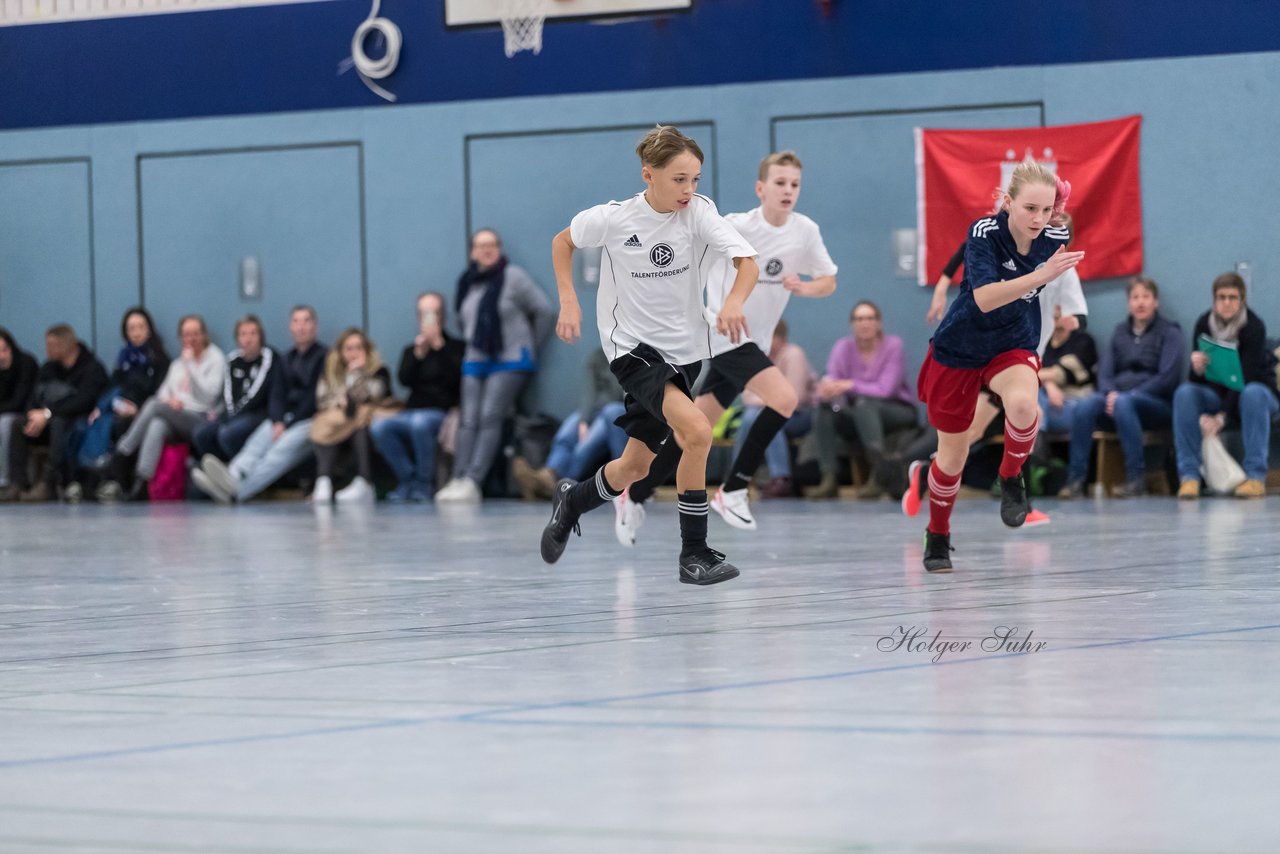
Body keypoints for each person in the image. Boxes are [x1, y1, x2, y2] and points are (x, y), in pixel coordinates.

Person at [540, 125, 759, 585]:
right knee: (698, 430)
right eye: (679, 179)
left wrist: (734, 301)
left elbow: (747, 261)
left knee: (635, 467)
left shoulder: (699, 214)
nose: (689, 189)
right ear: (648, 175)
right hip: (632, 350)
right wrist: (568, 299)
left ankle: (574, 500)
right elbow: (563, 242)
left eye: (695, 178)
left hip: (687, 354)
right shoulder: (615, 219)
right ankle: (694, 554)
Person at [614, 149, 837, 541]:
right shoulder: (735, 225)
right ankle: (734, 489)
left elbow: (829, 280)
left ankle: (635, 495)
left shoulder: (805, 231)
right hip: (724, 334)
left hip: (756, 342)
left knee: (691, 430)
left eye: (795, 185)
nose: (788, 191)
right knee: (783, 399)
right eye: (780, 183)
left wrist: (806, 286)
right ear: (761, 188)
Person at [909, 160, 1081, 573]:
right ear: (1008, 204)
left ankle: (1011, 478)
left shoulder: (1054, 236)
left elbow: (1054, 279)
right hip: (961, 347)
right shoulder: (983, 232)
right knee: (953, 456)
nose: (1039, 219)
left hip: (1012, 342)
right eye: (1029, 209)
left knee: (1025, 406)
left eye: (1046, 209)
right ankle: (938, 533)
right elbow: (985, 298)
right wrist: (1040, 275)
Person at [436, 228, 555, 502]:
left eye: (492, 245)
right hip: (476, 358)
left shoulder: (514, 276)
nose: (487, 250)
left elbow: (544, 311)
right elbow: (462, 318)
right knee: (468, 419)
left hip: (511, 359)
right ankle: (457, 478)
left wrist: (529, 347)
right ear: (472, 252)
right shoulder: (467, 281)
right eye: (481, 245)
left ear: (499, 248)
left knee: (489, 416)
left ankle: (473, 481)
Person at [1059, 276, 1183, 499]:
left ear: (1156, 302)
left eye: (1146, 297)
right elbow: (1105, 373)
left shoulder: (1170, 332)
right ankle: (1076, 480)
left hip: (1155, 405)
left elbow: (1168, 378)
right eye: (1135, 297)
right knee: (1085, 406)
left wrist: (1132, 395)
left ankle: (1136, 479)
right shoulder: (1119, 332)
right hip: (1116, 400)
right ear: (1129, 303)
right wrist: (1110, 394)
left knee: (1125, 403)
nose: (1140, 302)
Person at [190, 306, 326, 504]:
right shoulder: (286, 359)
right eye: (296, 321)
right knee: (256, 443)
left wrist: (287, 424)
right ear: (290, 327)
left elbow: (313, 397)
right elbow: (277, 395)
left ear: (315, 326)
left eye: (306, 321)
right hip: (285, 418)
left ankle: (239, 492)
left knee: (277, 454)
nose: (301, 327)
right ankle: (230, 476)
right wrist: (278, 421)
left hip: (309, 421)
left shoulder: (324, 357)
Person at [1171, 272, 1277, 498]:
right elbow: (1197, 380)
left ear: (1242, 300)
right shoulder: (1203, 323)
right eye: (1221, 297)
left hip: (1255, 393)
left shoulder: (1253, 327)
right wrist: (1197, 368)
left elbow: (1246, 379)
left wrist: (1221, 418)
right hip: (1217, 394)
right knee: (1185, 393)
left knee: (1253, 394)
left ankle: (1255, 477)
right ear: (1214, 300)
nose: (1226, 303)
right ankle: (1189, 476)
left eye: (1232, 297)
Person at [98, 315, 226, 502]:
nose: (191, 339)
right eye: (186, 335)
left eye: (196, 334)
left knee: (152, 405)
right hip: (175, 416)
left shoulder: (215, 358)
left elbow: (208, 397)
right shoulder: (178, 363)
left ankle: (121, 453)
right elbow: (163, 393)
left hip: (201, 417)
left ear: (204, 335)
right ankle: (142, 483)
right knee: (157, 424)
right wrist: (171, 401)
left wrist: (190, 367)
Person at [806, 301, 915, 499]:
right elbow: (832, 378)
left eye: (869, 318)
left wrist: (850, 385)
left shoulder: (893, 345)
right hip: (856, 410)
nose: (864, 323)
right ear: (852, 324)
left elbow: (886, 390)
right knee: (824, 411)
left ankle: (879, 475)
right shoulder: (843, 347)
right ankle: (828, 478)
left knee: (865, 404)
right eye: (859, 319)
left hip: (896, 410)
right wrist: (827, 389)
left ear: (878, 322)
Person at [370, 292, 465, 503]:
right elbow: (404, 380)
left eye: (434, 313)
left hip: (441, 412)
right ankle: (407, 479)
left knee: (420, 424)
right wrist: (418, 356)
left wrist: (440, 347)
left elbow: (458, 381)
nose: (429, 318)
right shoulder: (411, 350)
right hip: (411, 412)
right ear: (418, 317)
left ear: (443, 316)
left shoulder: (456, 347)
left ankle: (424, 484)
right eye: (424, 313)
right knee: (380, 427)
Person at [5, 324, 109, 502]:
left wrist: (48, 413)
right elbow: (34, 394)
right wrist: (33, 414)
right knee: (17, 423)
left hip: (76, 424)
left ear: (65, 345)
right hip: (44, 423)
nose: (47, 349)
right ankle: (17, 483)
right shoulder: (48, 368)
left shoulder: (92, 368)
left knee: (59, 422)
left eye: (50, 345)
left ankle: (50, 483)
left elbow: (84, 401)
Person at [512, 348, 627, 500]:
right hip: (596, 410)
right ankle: (549, 473)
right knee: (569, 430)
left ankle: (559, 483)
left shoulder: (632, 355)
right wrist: (584, 420)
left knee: (587, 442)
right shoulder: (596, 357)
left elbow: (626, 395)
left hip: (616, 410)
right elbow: (589, 392)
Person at [732, 319, 817, 499]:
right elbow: (747, 395)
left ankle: (748, 477)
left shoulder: (794, 354)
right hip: (768, 410)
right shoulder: (758, 357)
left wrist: (768, 400)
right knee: (754, 417)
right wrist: (772, 400)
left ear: (780, 338)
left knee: (766, 419)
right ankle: (743, 478)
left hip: (801, 415)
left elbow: (796, 396)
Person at [309, 328, 395, 503]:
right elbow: (322, 399)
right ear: (340, 352)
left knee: (358, 422)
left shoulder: (379, 369)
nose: (353, 353)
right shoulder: (331, 371)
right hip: (339, 424)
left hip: (367, 423)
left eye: (358, 348)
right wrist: (341, 399)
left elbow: (375, 393)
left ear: (367, 350)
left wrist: (357, 373)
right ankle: (323, 479)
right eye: (348, 348)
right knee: (324, 423)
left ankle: (364, 481)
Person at [192, 315, 274, 463]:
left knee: (227, 434)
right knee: (201, 433)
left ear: (261, 336)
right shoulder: (232, 360)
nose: (248, 339)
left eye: (253, 333)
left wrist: (234, 416)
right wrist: (230, 414)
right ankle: (217, 469)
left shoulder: (268, 357)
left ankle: (233, 470)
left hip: (256, 414)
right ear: (237, 338)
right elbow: (228, 394)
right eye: (243, 334)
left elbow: (256, 394)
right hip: (232, 413)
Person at [0, 328, 40, 497]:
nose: (1, 355)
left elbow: (19, 400)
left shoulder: (25, 363)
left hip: (23, 412)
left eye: (3, 349)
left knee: (6, 423)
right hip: (5, 411)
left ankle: (5, 480)